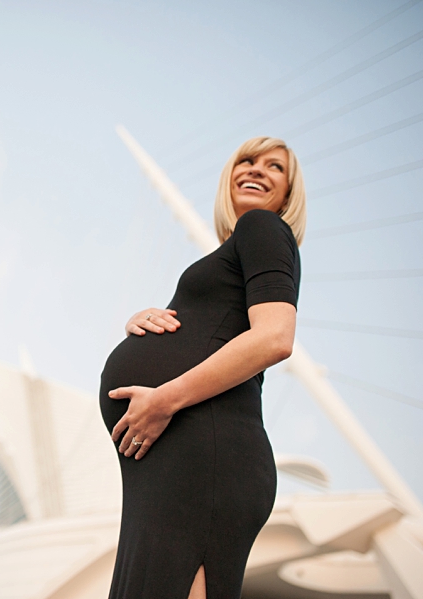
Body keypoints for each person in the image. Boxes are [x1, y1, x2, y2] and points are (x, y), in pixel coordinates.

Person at [99, 136, 306, 599]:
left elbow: (275, 336)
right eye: (246, 161)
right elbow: (218, 329)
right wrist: (146, 324)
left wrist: (164, 398)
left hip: (203, 454)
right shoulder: (237, 249)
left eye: (275, 167)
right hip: (176, 457)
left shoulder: (262, 227)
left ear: (289, 195)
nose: (256, 170)